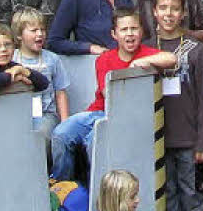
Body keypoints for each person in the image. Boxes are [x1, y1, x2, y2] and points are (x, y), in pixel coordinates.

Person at [51, 9, 174, 181]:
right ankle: (62, 186)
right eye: (124, 30)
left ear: (142, 31)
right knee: (61, 134)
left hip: (130, 117)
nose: (129, 34)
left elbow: (171, 58)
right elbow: (108, 93)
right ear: (114, 34)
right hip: (99, 112)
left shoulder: (146, 53)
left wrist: (142, 62)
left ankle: (97, 193)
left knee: (94, 142)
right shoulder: (105, 59)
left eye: (134, 28)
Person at [153, 0, 203, 211]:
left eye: (174, 9)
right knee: (169, 194)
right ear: (154, 12)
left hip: (188, 136)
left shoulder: (195, 50)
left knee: (191, 192)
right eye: (163, 8)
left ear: (183, 13)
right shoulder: (147, 49)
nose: (169, 14)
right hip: (159, 137)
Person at [11, 7, 70, 150]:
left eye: (42, 30)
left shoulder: (52, 59)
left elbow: (60, 93)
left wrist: (65, 123)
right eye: (33, 30)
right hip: (17, 114)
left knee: (40, 135)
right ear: (19, 35)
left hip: (45, 114)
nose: (40, 34)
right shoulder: (12, 57)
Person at [0, 20, 48, 92]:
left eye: (7, 44)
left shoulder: (14, 67)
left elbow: (44, 83)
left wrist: (24, 71)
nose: (3, 49)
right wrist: (14, 77)